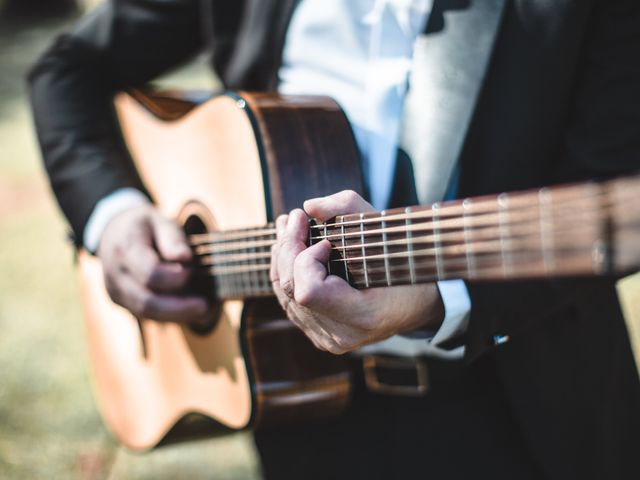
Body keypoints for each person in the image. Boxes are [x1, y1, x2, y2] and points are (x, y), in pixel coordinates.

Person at [29, 0, 640, 478]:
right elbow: (67, 70)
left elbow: (612, 190)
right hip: (299, 419)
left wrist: (434, 296)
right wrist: (112, 218)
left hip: (521, 416)